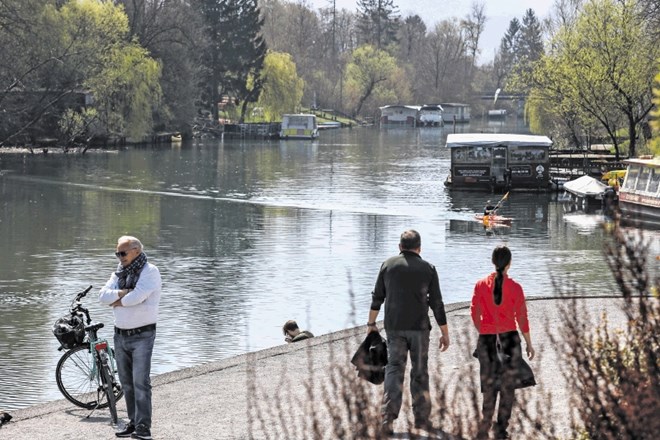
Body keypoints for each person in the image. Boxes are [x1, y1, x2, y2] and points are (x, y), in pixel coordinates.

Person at [367, 229, 450, 436]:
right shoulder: (428, 269)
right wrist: (444, 331)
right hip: (420, 328)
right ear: (419, 248)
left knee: (394, 369)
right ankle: (421, 419)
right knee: (420, 371)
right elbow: (437, 303)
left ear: (400, 247)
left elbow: (378, 297)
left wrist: (371, 323)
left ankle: (388, 418)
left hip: (394, 328)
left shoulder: (387, 265)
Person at [99, 236, 161, 440]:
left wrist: (116, 300)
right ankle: (133, 423)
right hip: (120, 334)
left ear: (136, 250)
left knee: (140, 382)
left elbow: (138, 297)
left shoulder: (150, 271)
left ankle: (144, 428)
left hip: (142, 335)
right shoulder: (119, 273)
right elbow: (102, 297)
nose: (119, 257)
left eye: (122, 253)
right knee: (126, 383)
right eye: (117, 253)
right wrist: (125, 293)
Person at [471, 246, 535, 440]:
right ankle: (501, 430)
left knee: (489, 385)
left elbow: (474, 313)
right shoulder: (515, 288)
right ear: (509, 264)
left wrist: (483, 331)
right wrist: (529, 343)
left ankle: (484, 426)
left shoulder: (481, 285)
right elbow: (522, 318)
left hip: (487, 340)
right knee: (508, 387)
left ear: (493, 261)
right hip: (509, 339)